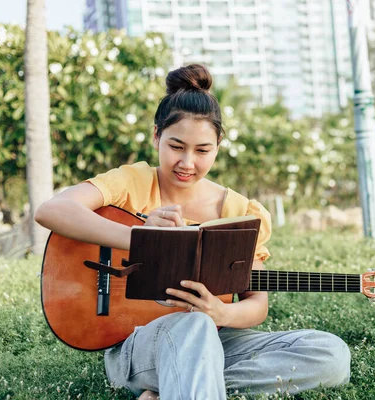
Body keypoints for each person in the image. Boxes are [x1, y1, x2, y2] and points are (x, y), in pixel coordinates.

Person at [35, 63, 350, 399]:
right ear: (157, 136)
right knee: (193, 326)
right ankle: (183, 379)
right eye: (176, 146)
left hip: (215, 340)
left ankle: (178, 384)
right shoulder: (133, 181)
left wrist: (224, 312)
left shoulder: (239, 211)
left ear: (218, 146)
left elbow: (257, 303)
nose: (187, 162)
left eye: (202, 151)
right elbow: (52, 210)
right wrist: (142, 237)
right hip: (135, 345)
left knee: (331, 354)